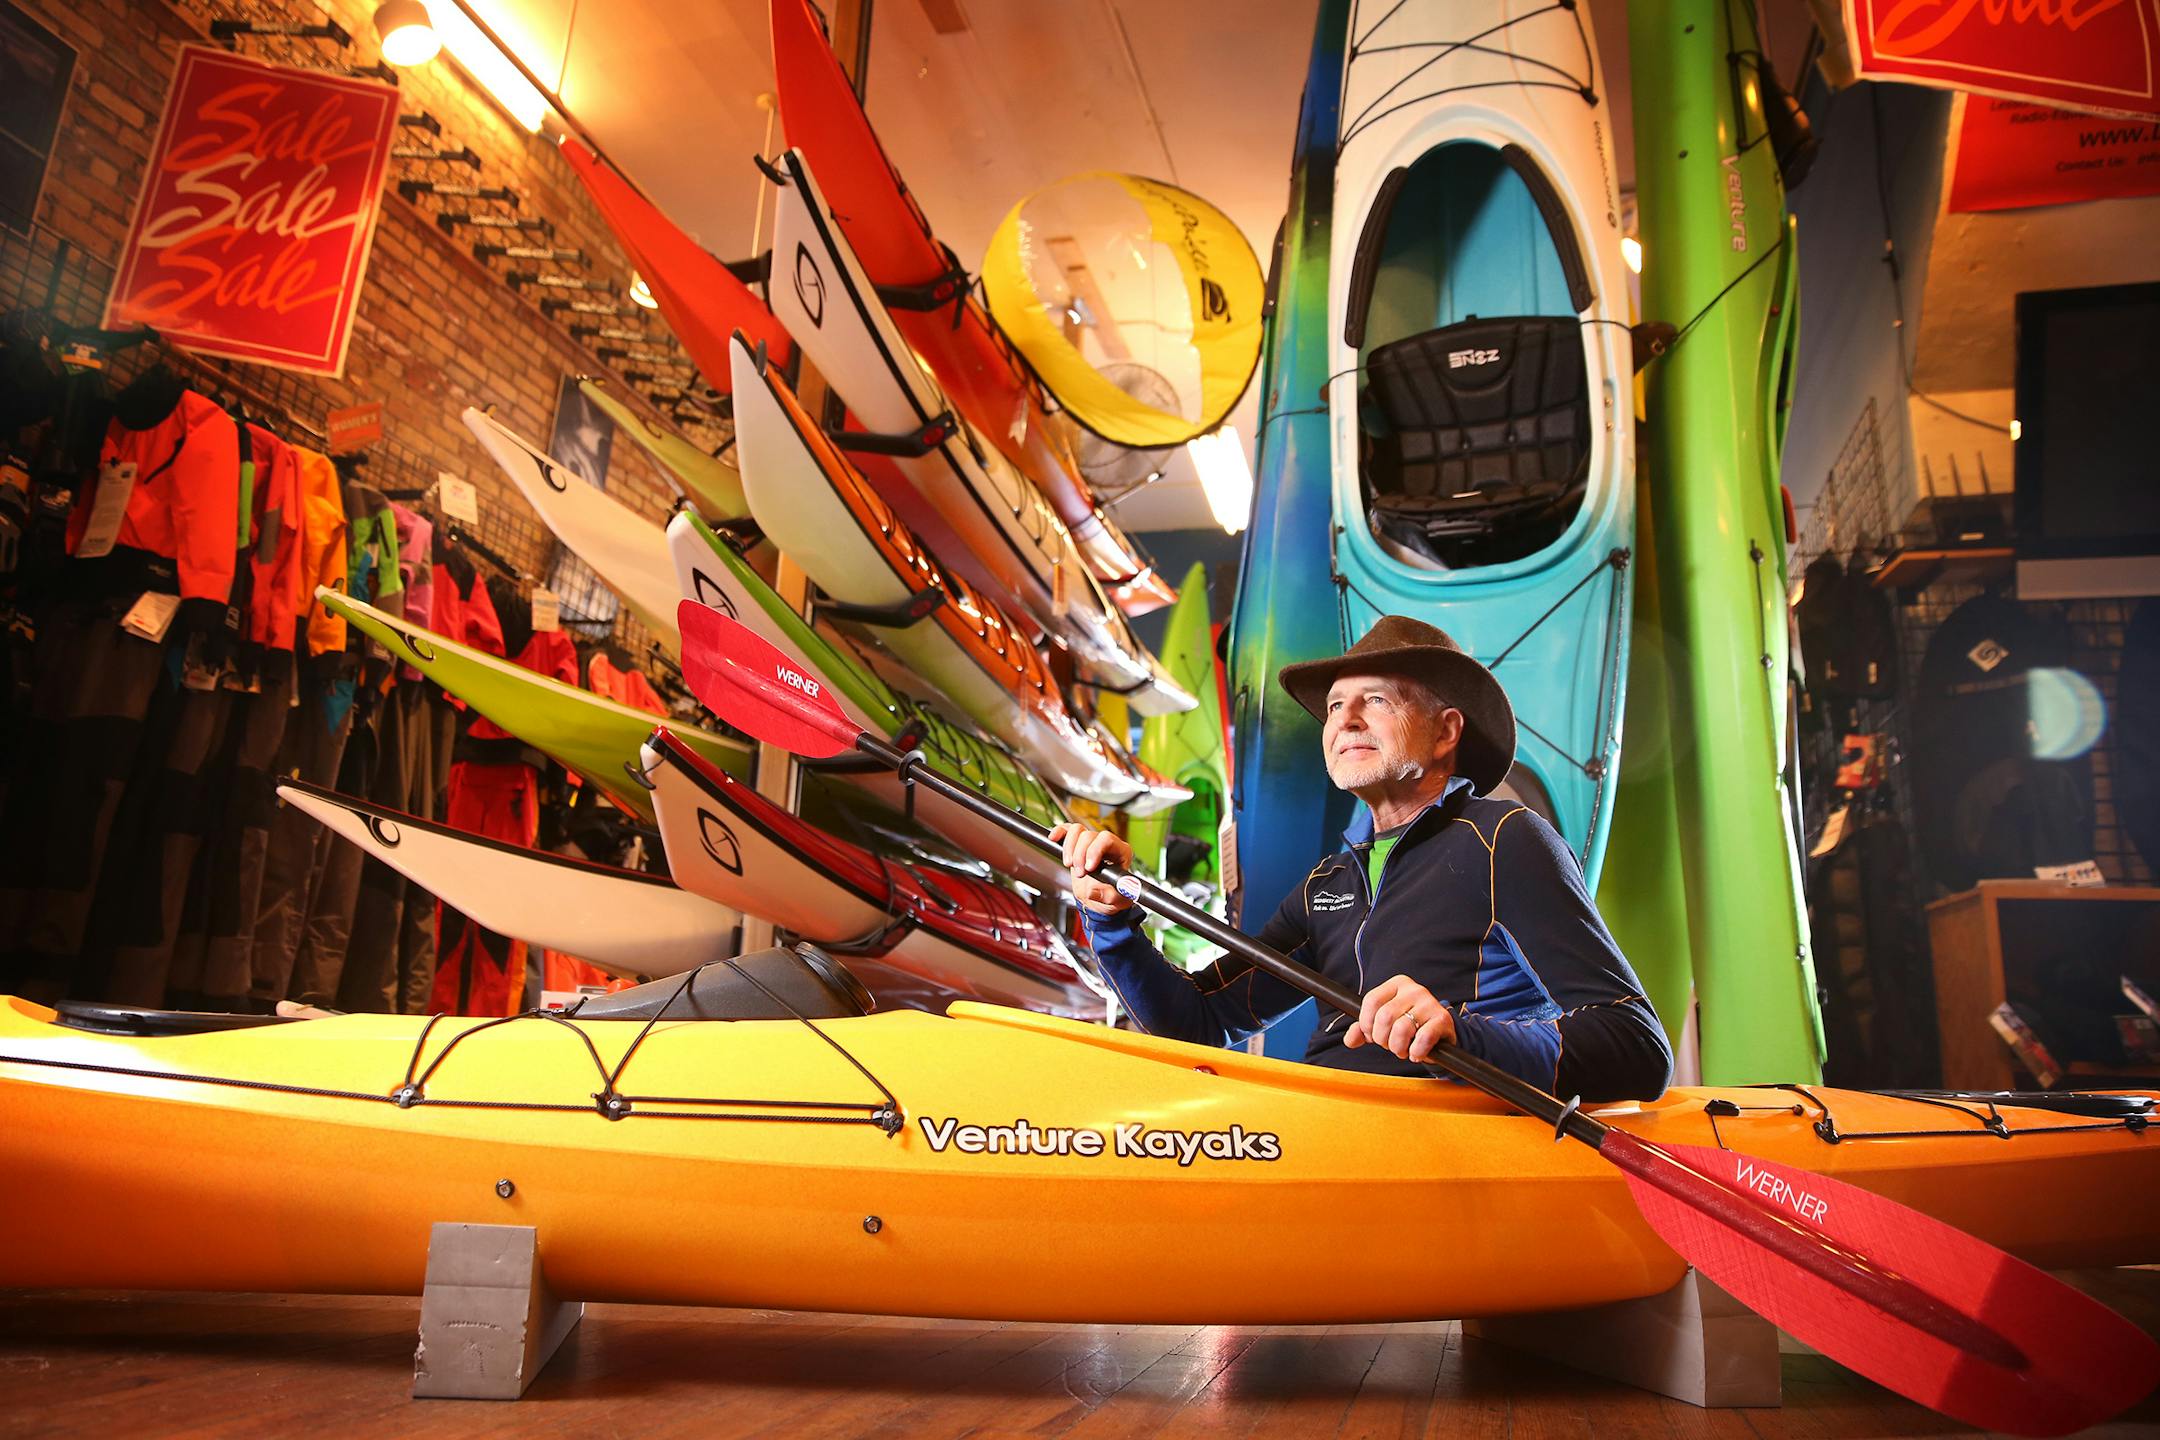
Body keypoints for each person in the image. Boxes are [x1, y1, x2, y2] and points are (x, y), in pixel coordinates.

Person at [1053, 616, 1672, 1103]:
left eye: (1375, 700)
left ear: (1445, 732)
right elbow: (1198, 1023)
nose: (1343, 718)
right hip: (1329, 1137)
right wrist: (1111, 922)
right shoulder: (1330, 883)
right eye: (1333, 707)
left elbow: (1637, 1044)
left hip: (1452, 1155)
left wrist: (1461, 1034)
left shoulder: (1506, 840)